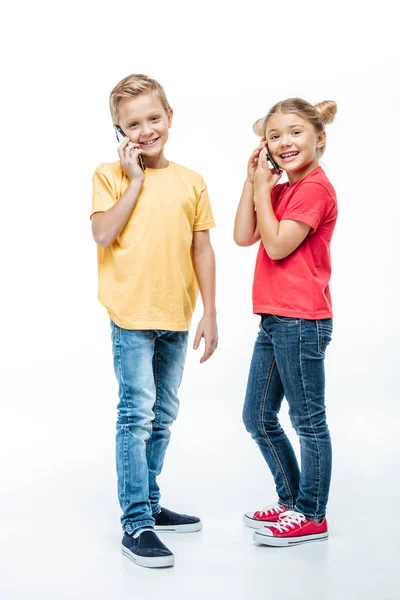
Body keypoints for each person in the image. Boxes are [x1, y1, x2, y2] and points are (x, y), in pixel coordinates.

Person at [91, 74, 218, 568]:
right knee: (136, 415)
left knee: (163, 418)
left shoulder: (192, 181)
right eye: (132, 124)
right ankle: (136, 523)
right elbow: (103, 233)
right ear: (118, 131)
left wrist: (210, 312)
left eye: (153, 118)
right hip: (132, 316)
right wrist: (136, 180)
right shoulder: (109, 175)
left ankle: (149, 501)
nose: (145, 130)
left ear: (169, 118)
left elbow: (202, 249)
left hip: (176, 314)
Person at [234, 98, 338, 547]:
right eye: (274, 136)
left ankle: (311, 514)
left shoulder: (314, 188)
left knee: (308, 421)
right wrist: (252, 180)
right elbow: (244, 235)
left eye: (295, 132)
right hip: (275, 319)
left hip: (301, 321)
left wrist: (262, 189)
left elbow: (275, 246)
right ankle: (293, 500)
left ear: (319, 139)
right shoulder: (280, 191)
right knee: (256, 416)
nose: (284, 142)